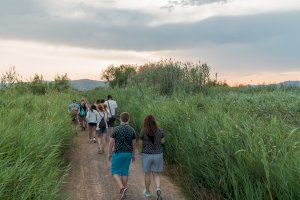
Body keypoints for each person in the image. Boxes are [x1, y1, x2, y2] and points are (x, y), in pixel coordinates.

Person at [108, 112, 136, 200]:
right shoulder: (132, 130)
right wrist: (133, 154)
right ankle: (123, 192)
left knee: (114, 171)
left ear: (120, 119)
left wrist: (109, 153)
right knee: (125, 172)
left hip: (118, 152)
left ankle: (121, 188)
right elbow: (134, 143)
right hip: (128, 153)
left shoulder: (116, 129)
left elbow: (111, 142)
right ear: (128, 119)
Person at [140, 115, 165, 199]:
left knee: (147, 174)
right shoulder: (160, 130)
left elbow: (141, 144)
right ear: (154, 121)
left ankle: (147, 192)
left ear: (145, 122)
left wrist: (142, 149)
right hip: (158, 154)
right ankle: (158, 189)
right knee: (156, 174)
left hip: (147, 154)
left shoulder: (143, 131)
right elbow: (163, 141)